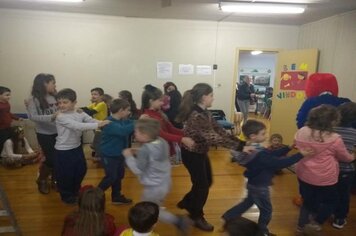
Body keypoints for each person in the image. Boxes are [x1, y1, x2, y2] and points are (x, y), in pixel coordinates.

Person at [222, 119, 312, 236]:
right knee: (266, 210)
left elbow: (270, 154)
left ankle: (229, 216)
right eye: (263, 133)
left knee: (248, 202)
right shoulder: (259, 154)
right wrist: (300, 155)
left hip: (254, 184)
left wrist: (288, 148)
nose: (266, 135)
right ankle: (262, 230)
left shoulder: (254, 148)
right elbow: (279, 163)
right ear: (253, 136)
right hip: (260, 187)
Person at [175, 83, 242, 232]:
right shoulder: (196, 115)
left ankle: (188, 201)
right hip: (192, 154)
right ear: (204, 97)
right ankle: (196, 216)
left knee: (206, 182)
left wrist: (240, 143)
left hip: (200, 152)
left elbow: (219, 131)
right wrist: (240, 147)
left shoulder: (206, 112)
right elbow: (213, 138)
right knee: (202, 185)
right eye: (211, 95)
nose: (213, 98)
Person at [123, 119, 190, 235]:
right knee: (155, 204)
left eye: (137, 132)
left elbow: (137, 169)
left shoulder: (145, 150)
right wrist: (138, 151)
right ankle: (162, 212)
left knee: (148, 210)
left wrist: (128, 156)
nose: (135, 134)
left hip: (153, 187)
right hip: (164, 183)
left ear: (145, 135)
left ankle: (178, 221)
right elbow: (153, 155)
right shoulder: (161, 141)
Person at [294, 105, 354, 234]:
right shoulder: (334, 138)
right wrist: (353, 155)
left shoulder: (302, 131)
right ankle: (316, 223)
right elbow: (345, 157)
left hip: (304, 174)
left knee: (307, 201)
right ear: (332, 121)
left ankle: (301, 226)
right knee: (331, 201)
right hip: (325, 178)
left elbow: (297, 144)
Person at [54, 88, 109, 204]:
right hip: (64, 150)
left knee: (81, 169)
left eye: (65, 102)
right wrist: (99, 125)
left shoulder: (78, 112)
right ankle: (67, 196)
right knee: (66, 174)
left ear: (74, 102)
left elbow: (88, 119)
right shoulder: (61, 117)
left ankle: (74, 190)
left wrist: (99, 122)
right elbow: (78, 126)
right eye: (59, 103)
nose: (61, 105)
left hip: (76, 147)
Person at [141, 84, 194, 165]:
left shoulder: (158, 113)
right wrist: (182, 139)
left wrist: (187, 133)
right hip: (154, 152)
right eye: (160, 100)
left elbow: (170, 128)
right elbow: (161, 134)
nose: (162, 103)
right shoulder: (148, 117)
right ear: (151, 101)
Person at [98, 99, 134, 205]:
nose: (129, 112)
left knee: (119, 175)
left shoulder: (122, 120)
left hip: (119, 154)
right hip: (109, 155)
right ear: (121, 110)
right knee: (111, 177)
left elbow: (129, 123)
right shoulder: (108, 123)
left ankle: (116, 196)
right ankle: (95, 195)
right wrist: (139, 122)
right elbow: (122, 131)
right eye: (127, 110)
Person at [26, 74, 58, 194]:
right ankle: (42, 180)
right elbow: (33, 117)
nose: (55, 85)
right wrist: (52, 116)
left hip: (59, 133)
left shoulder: (55, 96)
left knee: (58, 158)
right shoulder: (33, 99)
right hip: (44, 134)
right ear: (44, 83)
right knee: (50, 159)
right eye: (53, 83)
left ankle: (55, 179)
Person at [332, 102, 356, 229]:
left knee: (330, 192)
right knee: (344, 195)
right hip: (346, 170)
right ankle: (339, 218)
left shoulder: (331, 130)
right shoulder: (354, 133)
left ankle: (327, 211)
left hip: (329, 169)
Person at [0, 86, 21, 153]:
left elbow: (8, 113)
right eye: (7, 95)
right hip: (1, 128)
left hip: (8, 126)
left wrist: (17, 118)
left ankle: (10, 155)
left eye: (9, 95)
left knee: (9, 141)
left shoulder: (7, 104)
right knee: (2, 142)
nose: (9, 97)